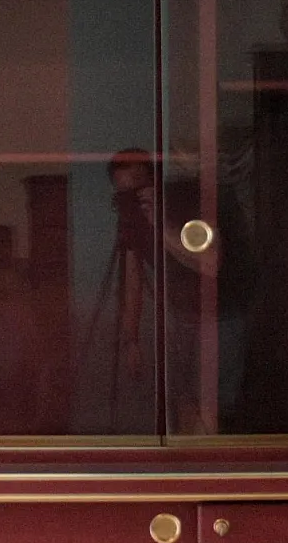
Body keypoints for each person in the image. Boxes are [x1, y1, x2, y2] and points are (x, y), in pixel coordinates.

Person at [107, 148, 254, 433]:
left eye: (137, 189)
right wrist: (131, 340)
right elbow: (133, 279)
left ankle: (210, 469)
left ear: (154, 180)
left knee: (210, 405)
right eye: (124, 193)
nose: (133, 199)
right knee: (183, 399)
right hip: (182, 315)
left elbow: (210, 261)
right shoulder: (134, 217)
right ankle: (189, 464)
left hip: (220, 315)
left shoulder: (188, 199)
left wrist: (161, 225)